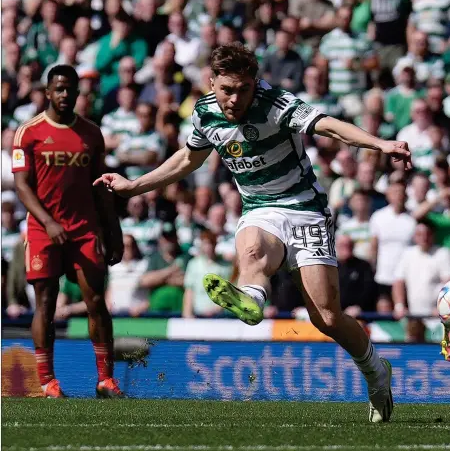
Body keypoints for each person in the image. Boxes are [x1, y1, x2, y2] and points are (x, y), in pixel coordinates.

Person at [95, 42, 414, 422]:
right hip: (259, 209)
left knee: (326, 318)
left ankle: (377, 373)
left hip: (306, 210)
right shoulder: (204, 114)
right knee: (252, 248)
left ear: (255, 83)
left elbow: (327, 125)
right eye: (226, 89)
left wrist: (380, 143)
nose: (234, 98)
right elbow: (188, 159)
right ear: (211, 82)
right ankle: (251, 299)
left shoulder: (275, 103)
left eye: (243, 89)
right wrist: (134, 186)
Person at [13, 65, 124, 398]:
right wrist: (48, 222)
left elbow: (100, 187)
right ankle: (47, 381)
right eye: (58, 89)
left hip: (84, 229)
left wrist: (113, 229)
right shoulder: (28, 133)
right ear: (47, 92)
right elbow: (21, 185)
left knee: (96, 302)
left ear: (77, 93)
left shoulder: (91, 133)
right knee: (45, 303)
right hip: (43, 230)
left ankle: (105, 379)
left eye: (69, 89)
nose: (64, 95)